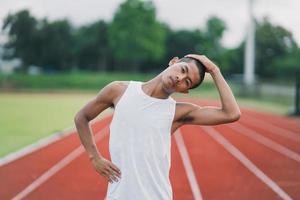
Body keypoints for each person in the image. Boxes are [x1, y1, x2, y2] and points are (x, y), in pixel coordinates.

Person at [74, 54, 241, 199]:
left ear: (185, 91)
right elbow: (82, 117)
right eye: (183, 70)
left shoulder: (178, 112)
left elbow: (231, 113)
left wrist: (214, 70)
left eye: (187, 82)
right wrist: (94, 157)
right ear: (173, 62)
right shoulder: (119, 90)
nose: (179, 79)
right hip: (118, 195)